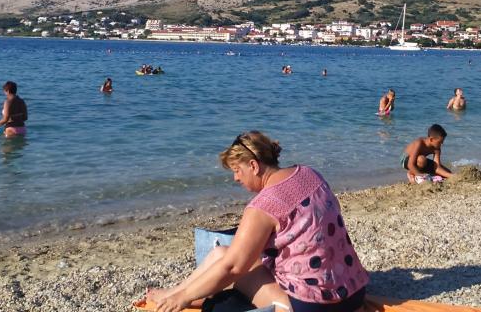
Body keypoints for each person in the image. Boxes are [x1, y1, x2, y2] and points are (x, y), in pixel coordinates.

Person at [147, 131, 368, 312]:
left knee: (228, 262)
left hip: (312, 306)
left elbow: (233, 268)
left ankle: (180, 297)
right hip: (353, 292)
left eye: (237, 171)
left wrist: (184, 297)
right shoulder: (310, 174)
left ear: (253, 166)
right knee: (222, 254)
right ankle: (174, 293)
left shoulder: (263, 205)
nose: (235, 178)